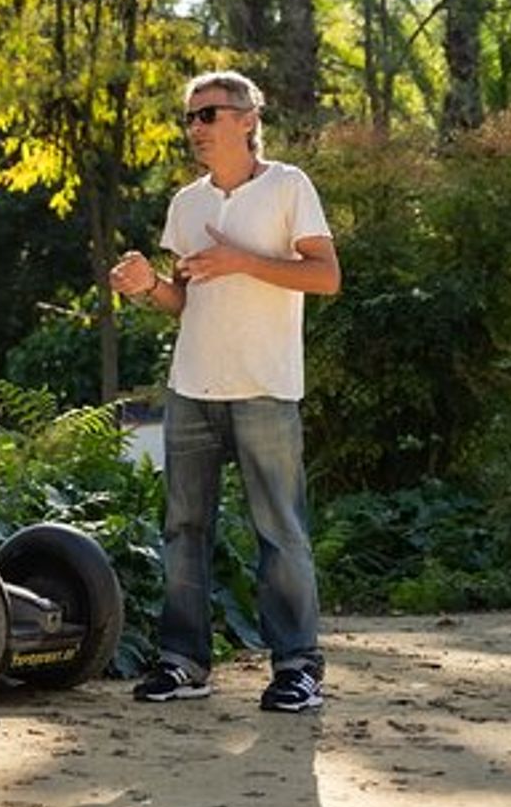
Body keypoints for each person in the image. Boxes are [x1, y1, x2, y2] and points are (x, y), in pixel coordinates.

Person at [107, 70, 340, 712]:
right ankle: (184, 661)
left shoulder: (289, 186)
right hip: (192, 386)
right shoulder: (187, 204)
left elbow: (326, 277)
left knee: (280, 530)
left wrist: (244, 261)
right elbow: (185, 300)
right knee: (184, 528)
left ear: (247, 118)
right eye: (191, 117)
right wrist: (147, 285)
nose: (197, 128)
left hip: (266, 385)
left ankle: (297, 667)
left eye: (209, 114)